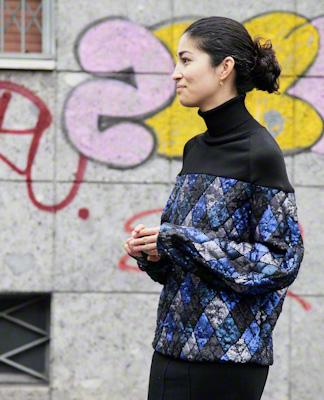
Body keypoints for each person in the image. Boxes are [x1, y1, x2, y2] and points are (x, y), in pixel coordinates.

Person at [123, 16, 304, 400]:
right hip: (170, 350)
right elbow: (191, 259)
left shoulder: (259, 151)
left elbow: (281, 260)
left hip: (227, 361)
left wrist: (181, 240)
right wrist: (155, 252)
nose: (175, 73)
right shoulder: (195, 149)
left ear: (224, 68)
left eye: (186, 60)